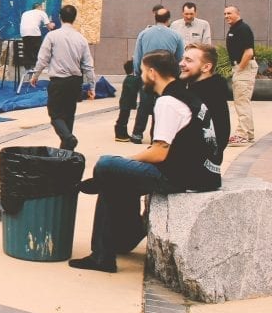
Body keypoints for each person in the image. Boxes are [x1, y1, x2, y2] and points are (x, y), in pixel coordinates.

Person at [69, 50, 221, 273]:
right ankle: (118, 243)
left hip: (183, 178)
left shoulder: (168, 102)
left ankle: (103, 256)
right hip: (203, 174)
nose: (140, 77)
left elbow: (159, 152)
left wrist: (127, 160)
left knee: (106, 164)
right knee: (114, 176)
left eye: (141, 72)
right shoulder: (185, 95)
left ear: (152, 73)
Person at [29, 4, 96, 151]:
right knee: (69, 115)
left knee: (55, 115)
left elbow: (43, 59)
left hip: (58, 81)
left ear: (60, 18)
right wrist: (92, 86)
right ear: (74, 18)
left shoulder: (52, 36)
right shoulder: (81, 39)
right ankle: (67, 152)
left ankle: (68, 139)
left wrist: (36, 75)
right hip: (75, 82)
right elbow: (88, 65)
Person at [130, 7, 184, 144]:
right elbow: (179, 57)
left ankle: (137, 134)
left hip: (147, 74)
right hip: (166, 77)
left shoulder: (144, 33)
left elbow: (137, 56)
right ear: (168, 19)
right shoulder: (176, 35)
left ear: (155, 18)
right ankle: (156, 135)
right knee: (161, 105)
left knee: (144, 104)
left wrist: (138, 73)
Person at [179, 43, 230, 155]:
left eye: (188, 60)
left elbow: (219, 139)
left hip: (192, 166)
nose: (181, 63)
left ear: (206, 67)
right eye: (182, 59)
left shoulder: (208, 97)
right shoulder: (211, 90)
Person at [224, 5, 256, 146]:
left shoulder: (243, 28)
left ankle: (242, 134)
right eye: (225, 14)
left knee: (241, 102)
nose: (226, 16)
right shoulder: (235, 28)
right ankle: (247, 133)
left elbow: (249, 52)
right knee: (242, 102)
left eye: (229, 13)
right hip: (240, 67)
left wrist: (239, 69)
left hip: (244, 68)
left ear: (238, 13)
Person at [114, 59, 141, 142]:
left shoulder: (129, 78)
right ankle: (120, 134)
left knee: (124, 117)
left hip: (125, 102)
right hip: (126, 102)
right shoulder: (132, 79)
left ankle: (123, 133)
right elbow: (134, 88)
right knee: (123, 118)